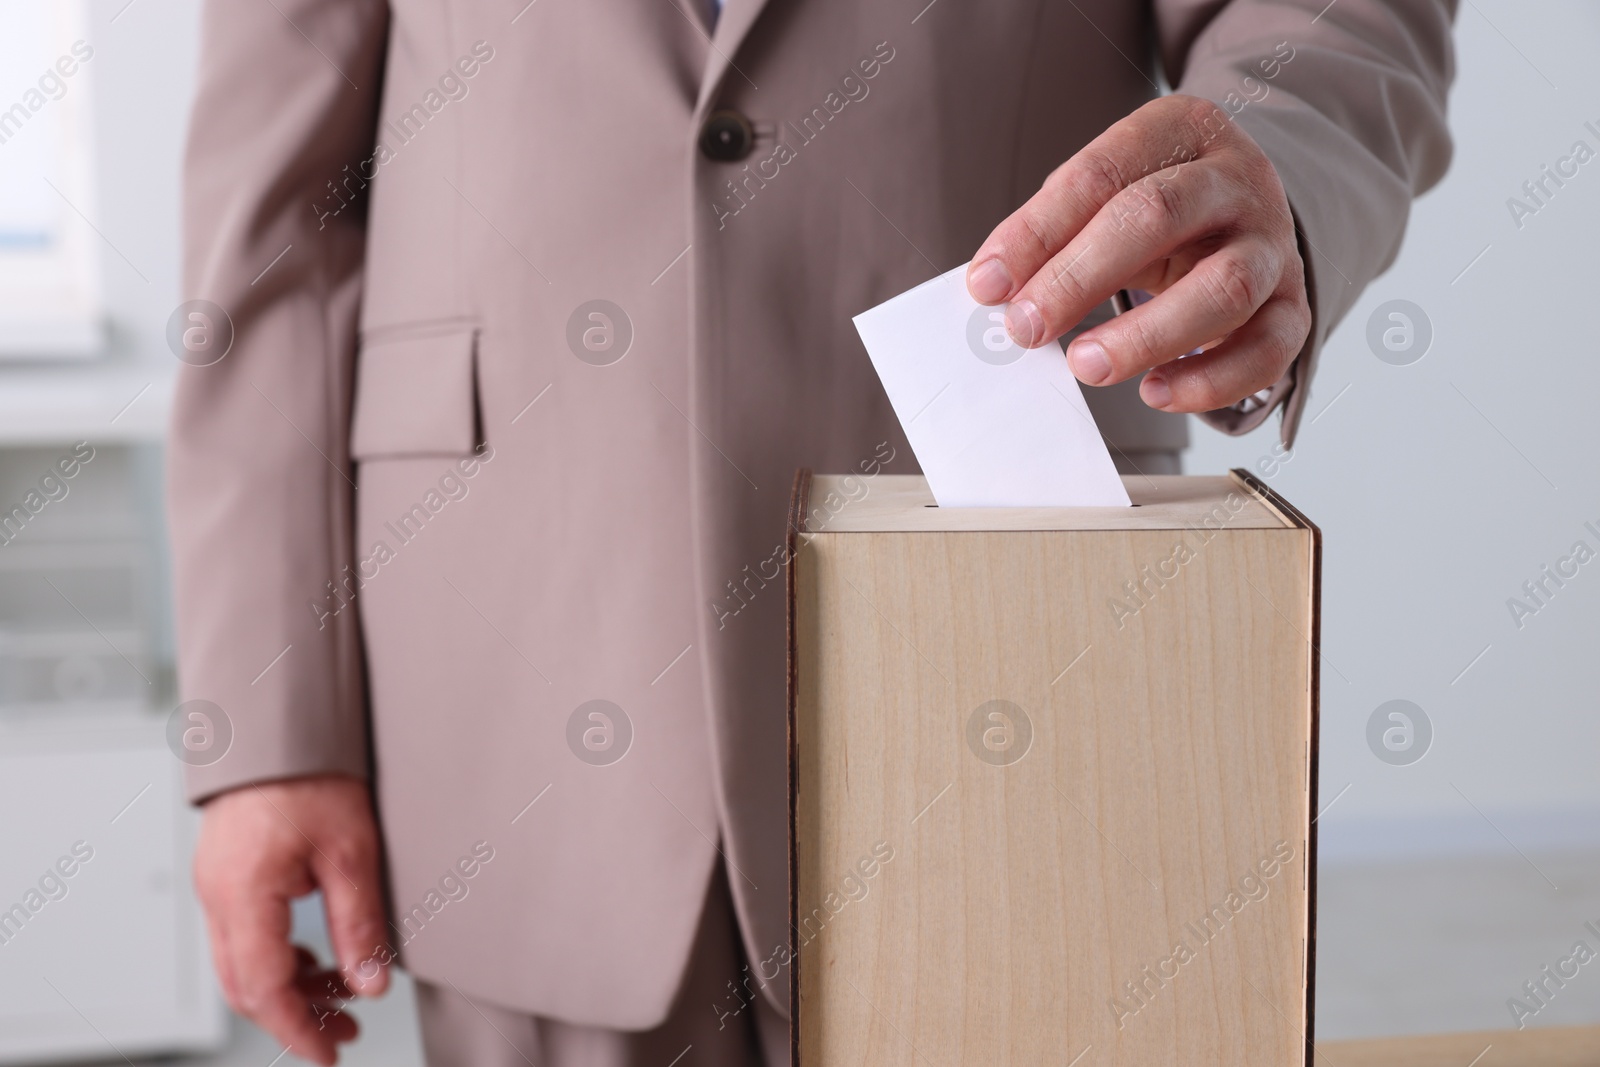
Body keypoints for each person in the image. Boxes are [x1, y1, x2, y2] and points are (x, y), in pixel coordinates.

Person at [167, 0, 1456, 1063]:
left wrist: (1270, 169)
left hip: (1008, 631)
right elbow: (271, 225)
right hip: (515, 665)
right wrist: (271, 725)